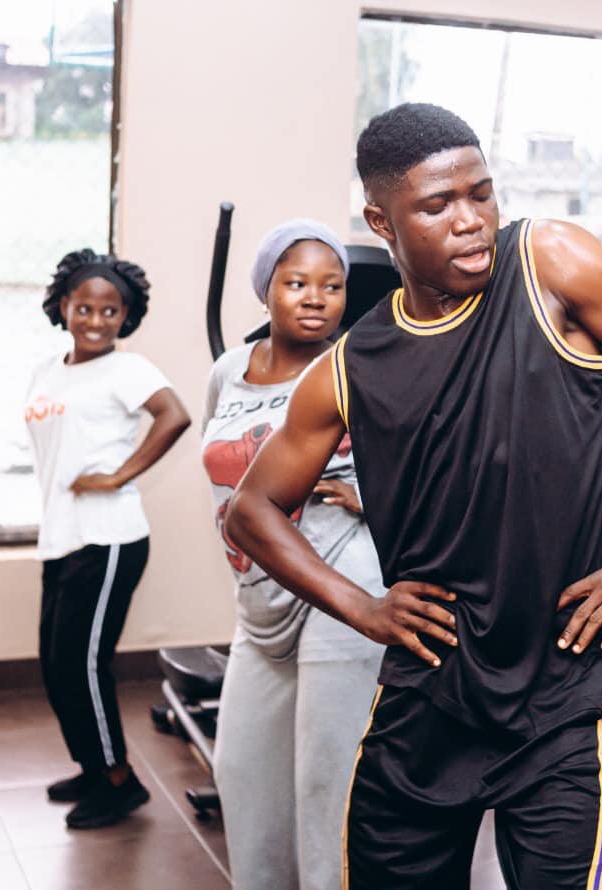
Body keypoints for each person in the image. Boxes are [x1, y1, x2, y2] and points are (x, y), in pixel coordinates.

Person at [225, 103, 602, 889]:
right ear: (382, 222)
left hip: (563, 696)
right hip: (424, 700)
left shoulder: (548, 262)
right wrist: (362, 608)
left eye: (481, 194)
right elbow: (251, 510)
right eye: (438, 205)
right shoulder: (352, 366)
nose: (470, 220)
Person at [201, 220, 386, 888]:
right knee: (242, 772)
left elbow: (436, 460)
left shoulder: (359, 367)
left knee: (326, 784)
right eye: (297, 283)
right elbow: (222, 468)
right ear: (267, 290)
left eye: (332, 287)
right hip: (260, 594)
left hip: (343, 585)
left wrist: (378, 499)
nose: (315, 298)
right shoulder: (229, 370)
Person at [25, 249, 190, 829]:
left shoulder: (128, 369)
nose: (96, 320)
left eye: (110, 311)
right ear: (63, 306)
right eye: (84, 307)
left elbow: (174, 415)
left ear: (126, 315)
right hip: (63, 535)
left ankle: (120, 783)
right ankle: (93, 768)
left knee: (84, 665)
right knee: (56, 664)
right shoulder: (48, 370)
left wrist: (119, 475)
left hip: (109, 539)